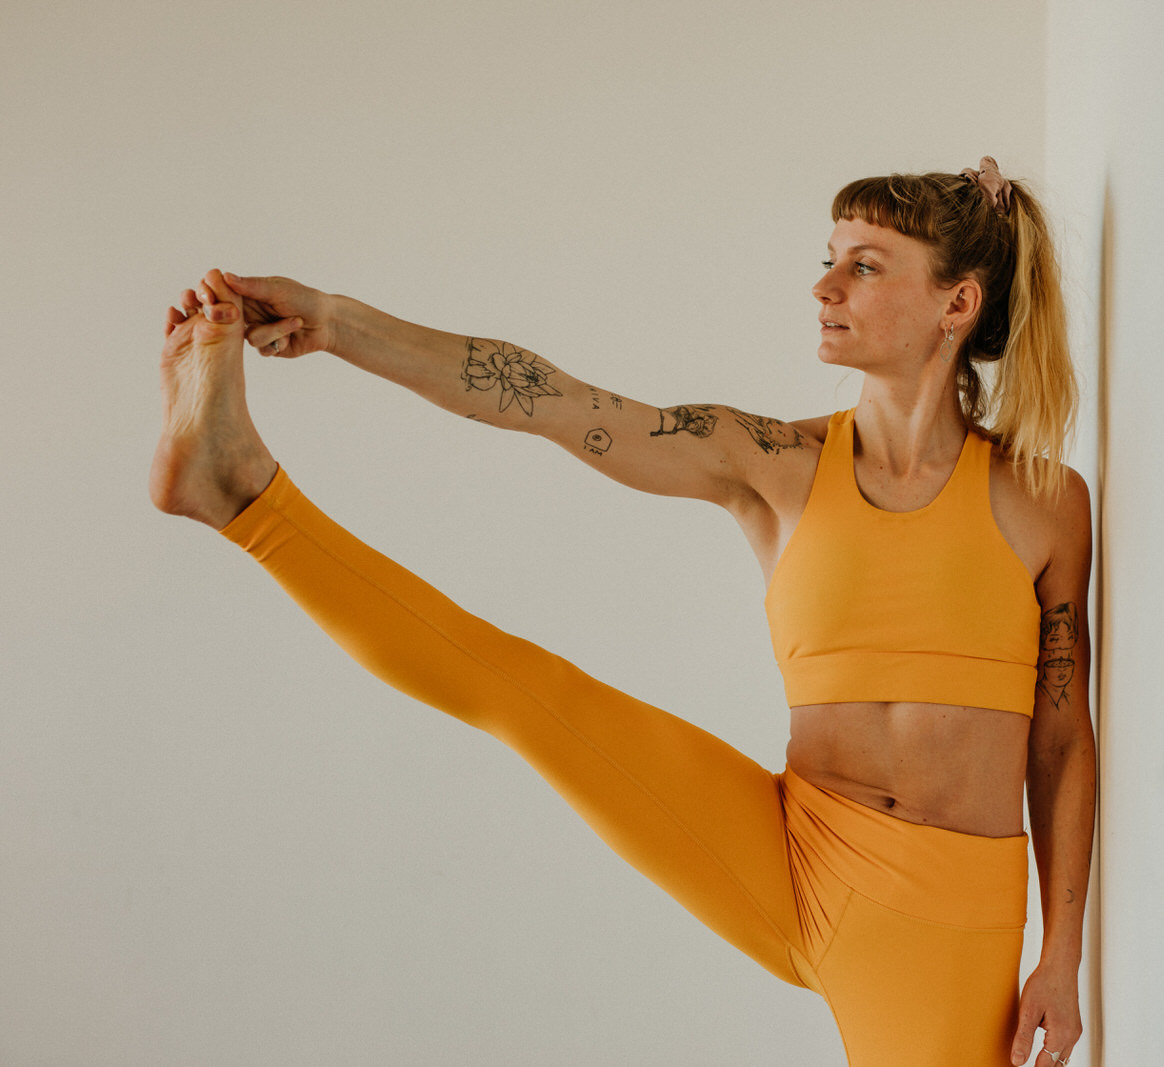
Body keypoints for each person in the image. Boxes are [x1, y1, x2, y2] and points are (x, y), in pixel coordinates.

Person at [151, 157, 1096, 1067]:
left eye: (865, 266)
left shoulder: (1043, 502)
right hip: (791, 842)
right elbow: (552, 401)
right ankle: (243, 495)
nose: (825, 287)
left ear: (955, 304)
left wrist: (1063, 954)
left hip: (943, 914)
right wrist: (334, 321)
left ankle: (236, 489)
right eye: (829, 259)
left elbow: (1061, 740)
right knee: (523, 689)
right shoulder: (773, 464)